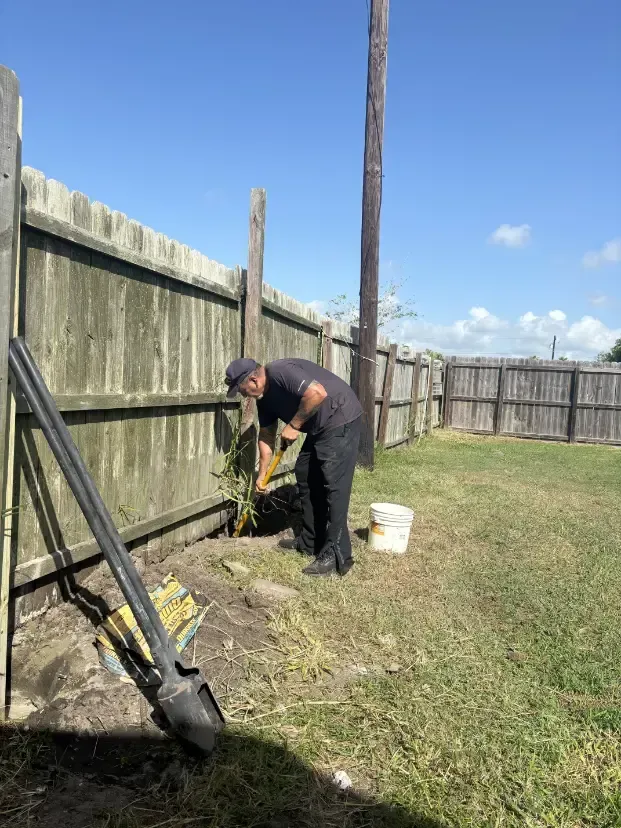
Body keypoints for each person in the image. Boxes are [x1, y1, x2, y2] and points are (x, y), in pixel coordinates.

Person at [225, 357, 362, 576]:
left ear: (253, 379)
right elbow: (267, 436)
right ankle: (310, 542)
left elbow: (317, 393)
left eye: (242, 390)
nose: (243, 396)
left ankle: (337, 556)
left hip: (341, 416)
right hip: (320, 425)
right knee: (305, 473)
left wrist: (294, 424)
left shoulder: (280, 372)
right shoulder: (264, 400)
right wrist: (262, 476)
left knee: (334, 485)